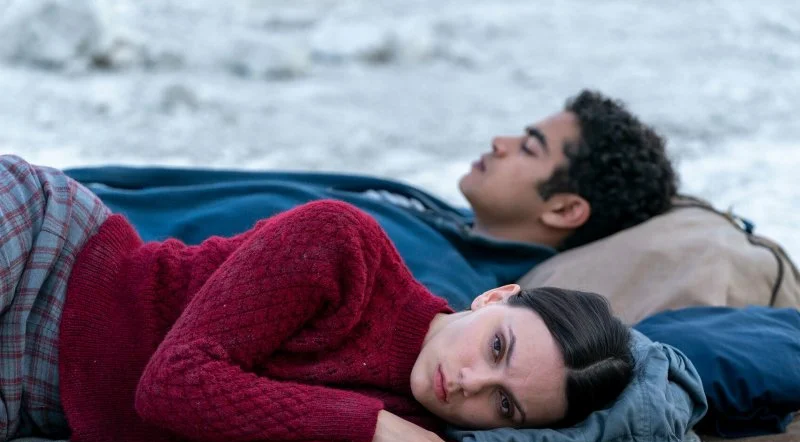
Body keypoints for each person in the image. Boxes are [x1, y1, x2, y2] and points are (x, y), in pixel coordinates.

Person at [1, 155, 633, 442]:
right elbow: (171, 385)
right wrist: (366, 424)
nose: (469, 383)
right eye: (497, 347)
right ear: (496, 297)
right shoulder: (342, 246)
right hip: (48, 254)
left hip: (27, 394)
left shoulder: (418, 439)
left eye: (504, 405)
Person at [66, 89, 678, 309]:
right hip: (72, 200)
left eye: (530, 147)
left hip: (73, 258)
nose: (501, 141)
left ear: (564, 210)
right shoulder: (435, 218)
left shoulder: (436, 283)